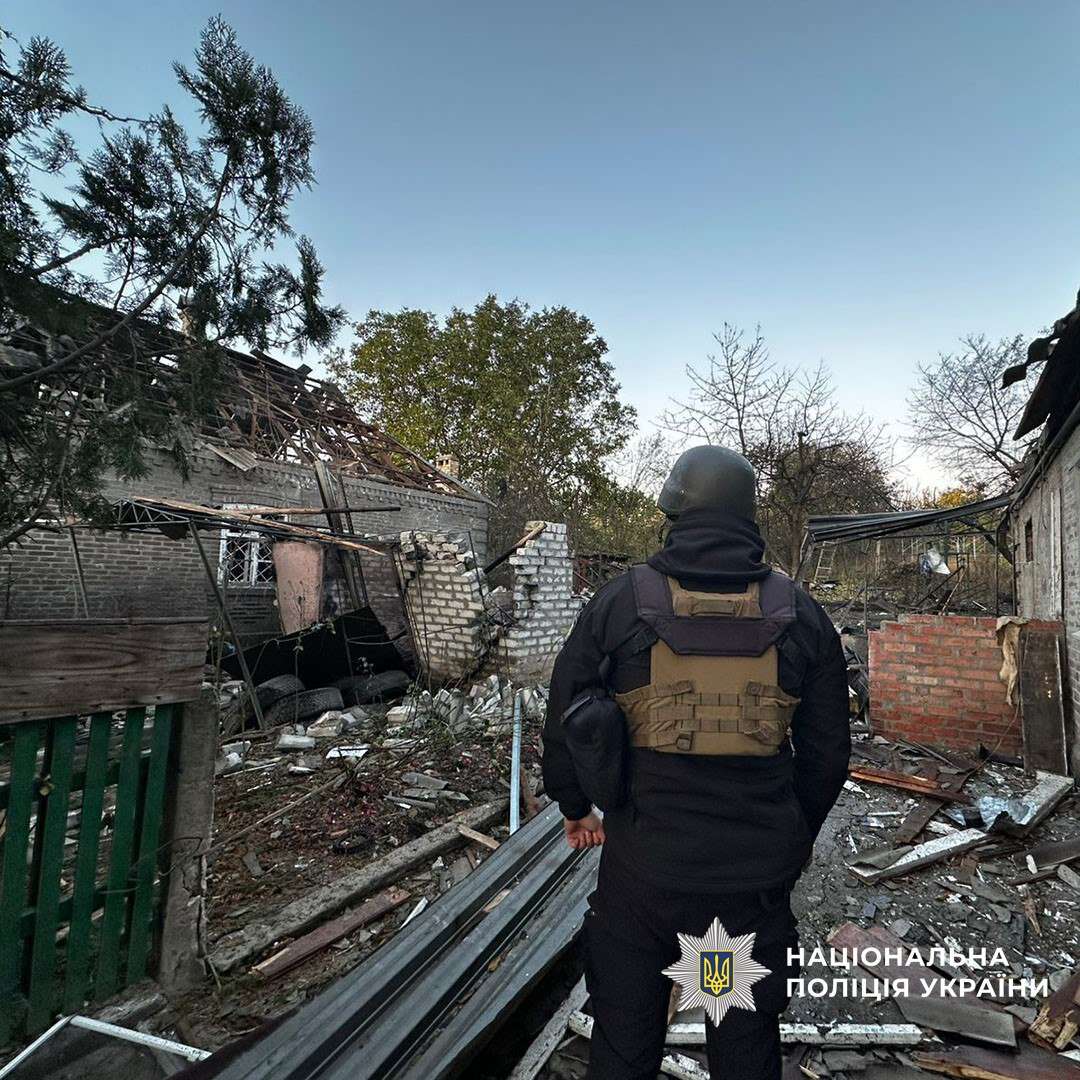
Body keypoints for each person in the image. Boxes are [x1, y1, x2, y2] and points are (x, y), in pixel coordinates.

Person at [542, 445, 850, 1080]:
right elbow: (827, 757)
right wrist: (789, 837)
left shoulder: (619, 603)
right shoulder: (801, 614)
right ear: (748, 517)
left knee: (625, 1043)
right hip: (744, 896)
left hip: (643, 883)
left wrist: (576, 805)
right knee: (740, 1044)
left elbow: (567, 713)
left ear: (675, 511)